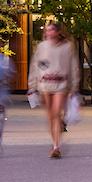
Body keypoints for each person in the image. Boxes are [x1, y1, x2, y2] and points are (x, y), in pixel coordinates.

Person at [28, 21, 80, 159]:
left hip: (61, 84)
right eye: (47, 30)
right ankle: (54, 142)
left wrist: (74, 86)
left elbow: (73, 66)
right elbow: (36, 65)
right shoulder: (41, 47)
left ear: (58, 32)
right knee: (50, 115)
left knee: (56, 113)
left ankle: (57, 147)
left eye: (51, 30)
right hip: (45, 84)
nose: (48, 32)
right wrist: (32, 85)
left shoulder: (67, 47)